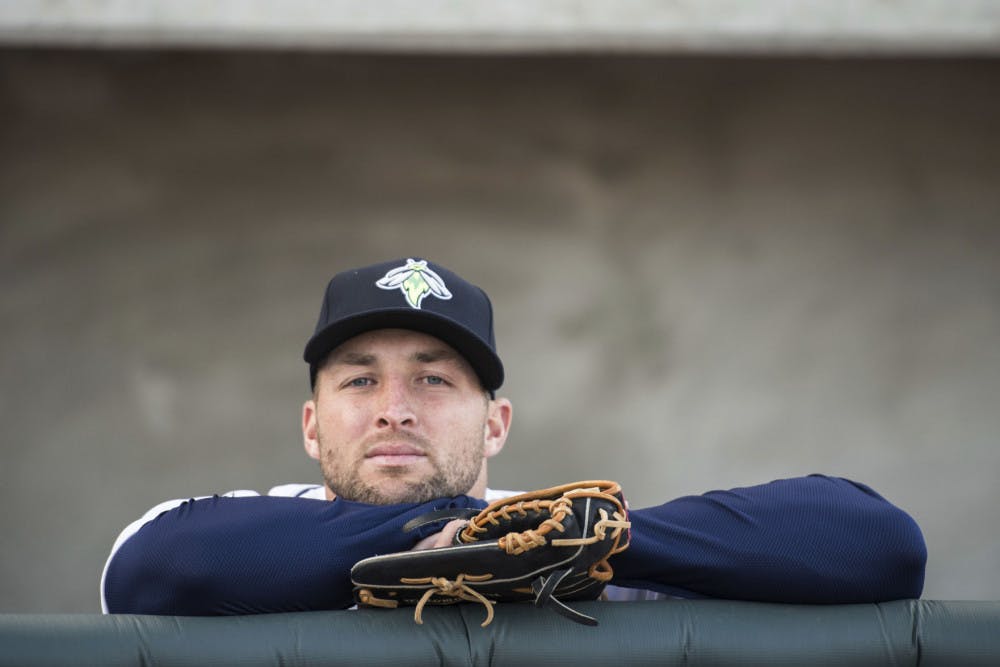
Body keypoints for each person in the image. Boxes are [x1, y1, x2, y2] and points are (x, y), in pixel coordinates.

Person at [101, 257, 927, 615]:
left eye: (434, 377)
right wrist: (447, 538)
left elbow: (879, 544)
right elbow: (145, 568)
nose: (395, 406)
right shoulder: (248, 527)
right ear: (312, 427)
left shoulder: (568, 537)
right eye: (360, 378)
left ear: (495, 423)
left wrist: (571, 541)